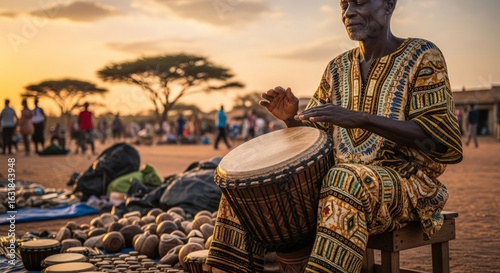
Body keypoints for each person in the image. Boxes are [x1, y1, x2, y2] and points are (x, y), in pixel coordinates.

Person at [206, 1, 463, 272]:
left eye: (360, 2)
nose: (349, 12)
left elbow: (440, 139)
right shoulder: (336, 68)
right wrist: (290, 119)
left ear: (388, 4)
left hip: (408, 182)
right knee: (248, 186)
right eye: (344, 4)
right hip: (339, 177)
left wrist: (360, 118)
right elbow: (316, 144)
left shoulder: (423, 55)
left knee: (342, 180)